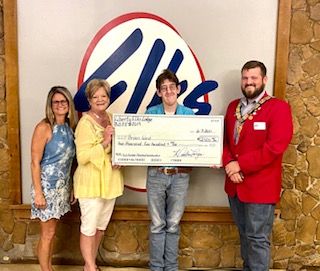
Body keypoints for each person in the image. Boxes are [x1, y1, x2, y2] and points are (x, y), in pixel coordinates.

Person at [223, 60, 293, 271]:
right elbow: (225, 140)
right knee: (245, 236)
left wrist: (240, 165)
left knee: (257, 239)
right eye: (245, 78)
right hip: (235, 186)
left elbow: (274, 148)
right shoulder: (232, 107)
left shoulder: (279, 108)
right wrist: (229, 165)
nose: (248, 82)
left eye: (253, 78)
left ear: (264, 80)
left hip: (260, 188)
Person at [145, 69, 194, 271]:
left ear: (178, 89)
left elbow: (197, 146)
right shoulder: (150, 114)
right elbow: (141, 144)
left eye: (172, 87)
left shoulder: (189, 115)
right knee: (157, 225)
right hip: (156, 173)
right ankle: (156, 268)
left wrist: (210, 156)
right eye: (164, 88)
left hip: (180, 175)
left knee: (173, 224)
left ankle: (171, 268)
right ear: (158, 92)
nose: (168, 91)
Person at [73, 78, 124, 271]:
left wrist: (121, 159)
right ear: (89, 99)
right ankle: (91, 267)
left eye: (104, 96)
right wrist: (104, 142)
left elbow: (118, 149)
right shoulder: (85, 124)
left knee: (100, 227)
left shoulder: (112, 118)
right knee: (88, 228)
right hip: (90, 184)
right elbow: (83, 157)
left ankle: (90, 265)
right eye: (96, 96)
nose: (100, 99)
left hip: (110, 183)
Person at [30, 86, 77, 271]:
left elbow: (71, 162)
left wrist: (71, 187)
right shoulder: (44, 127)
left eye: (63, 101)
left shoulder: (70, 127)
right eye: (56, 101)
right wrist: (39, 194)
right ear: (50, 104)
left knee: (51, 232)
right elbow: (35, 162)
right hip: (46, 188)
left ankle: (48, 267)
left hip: (62, 188)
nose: (60, 105)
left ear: (69, 104)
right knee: (47, 234)